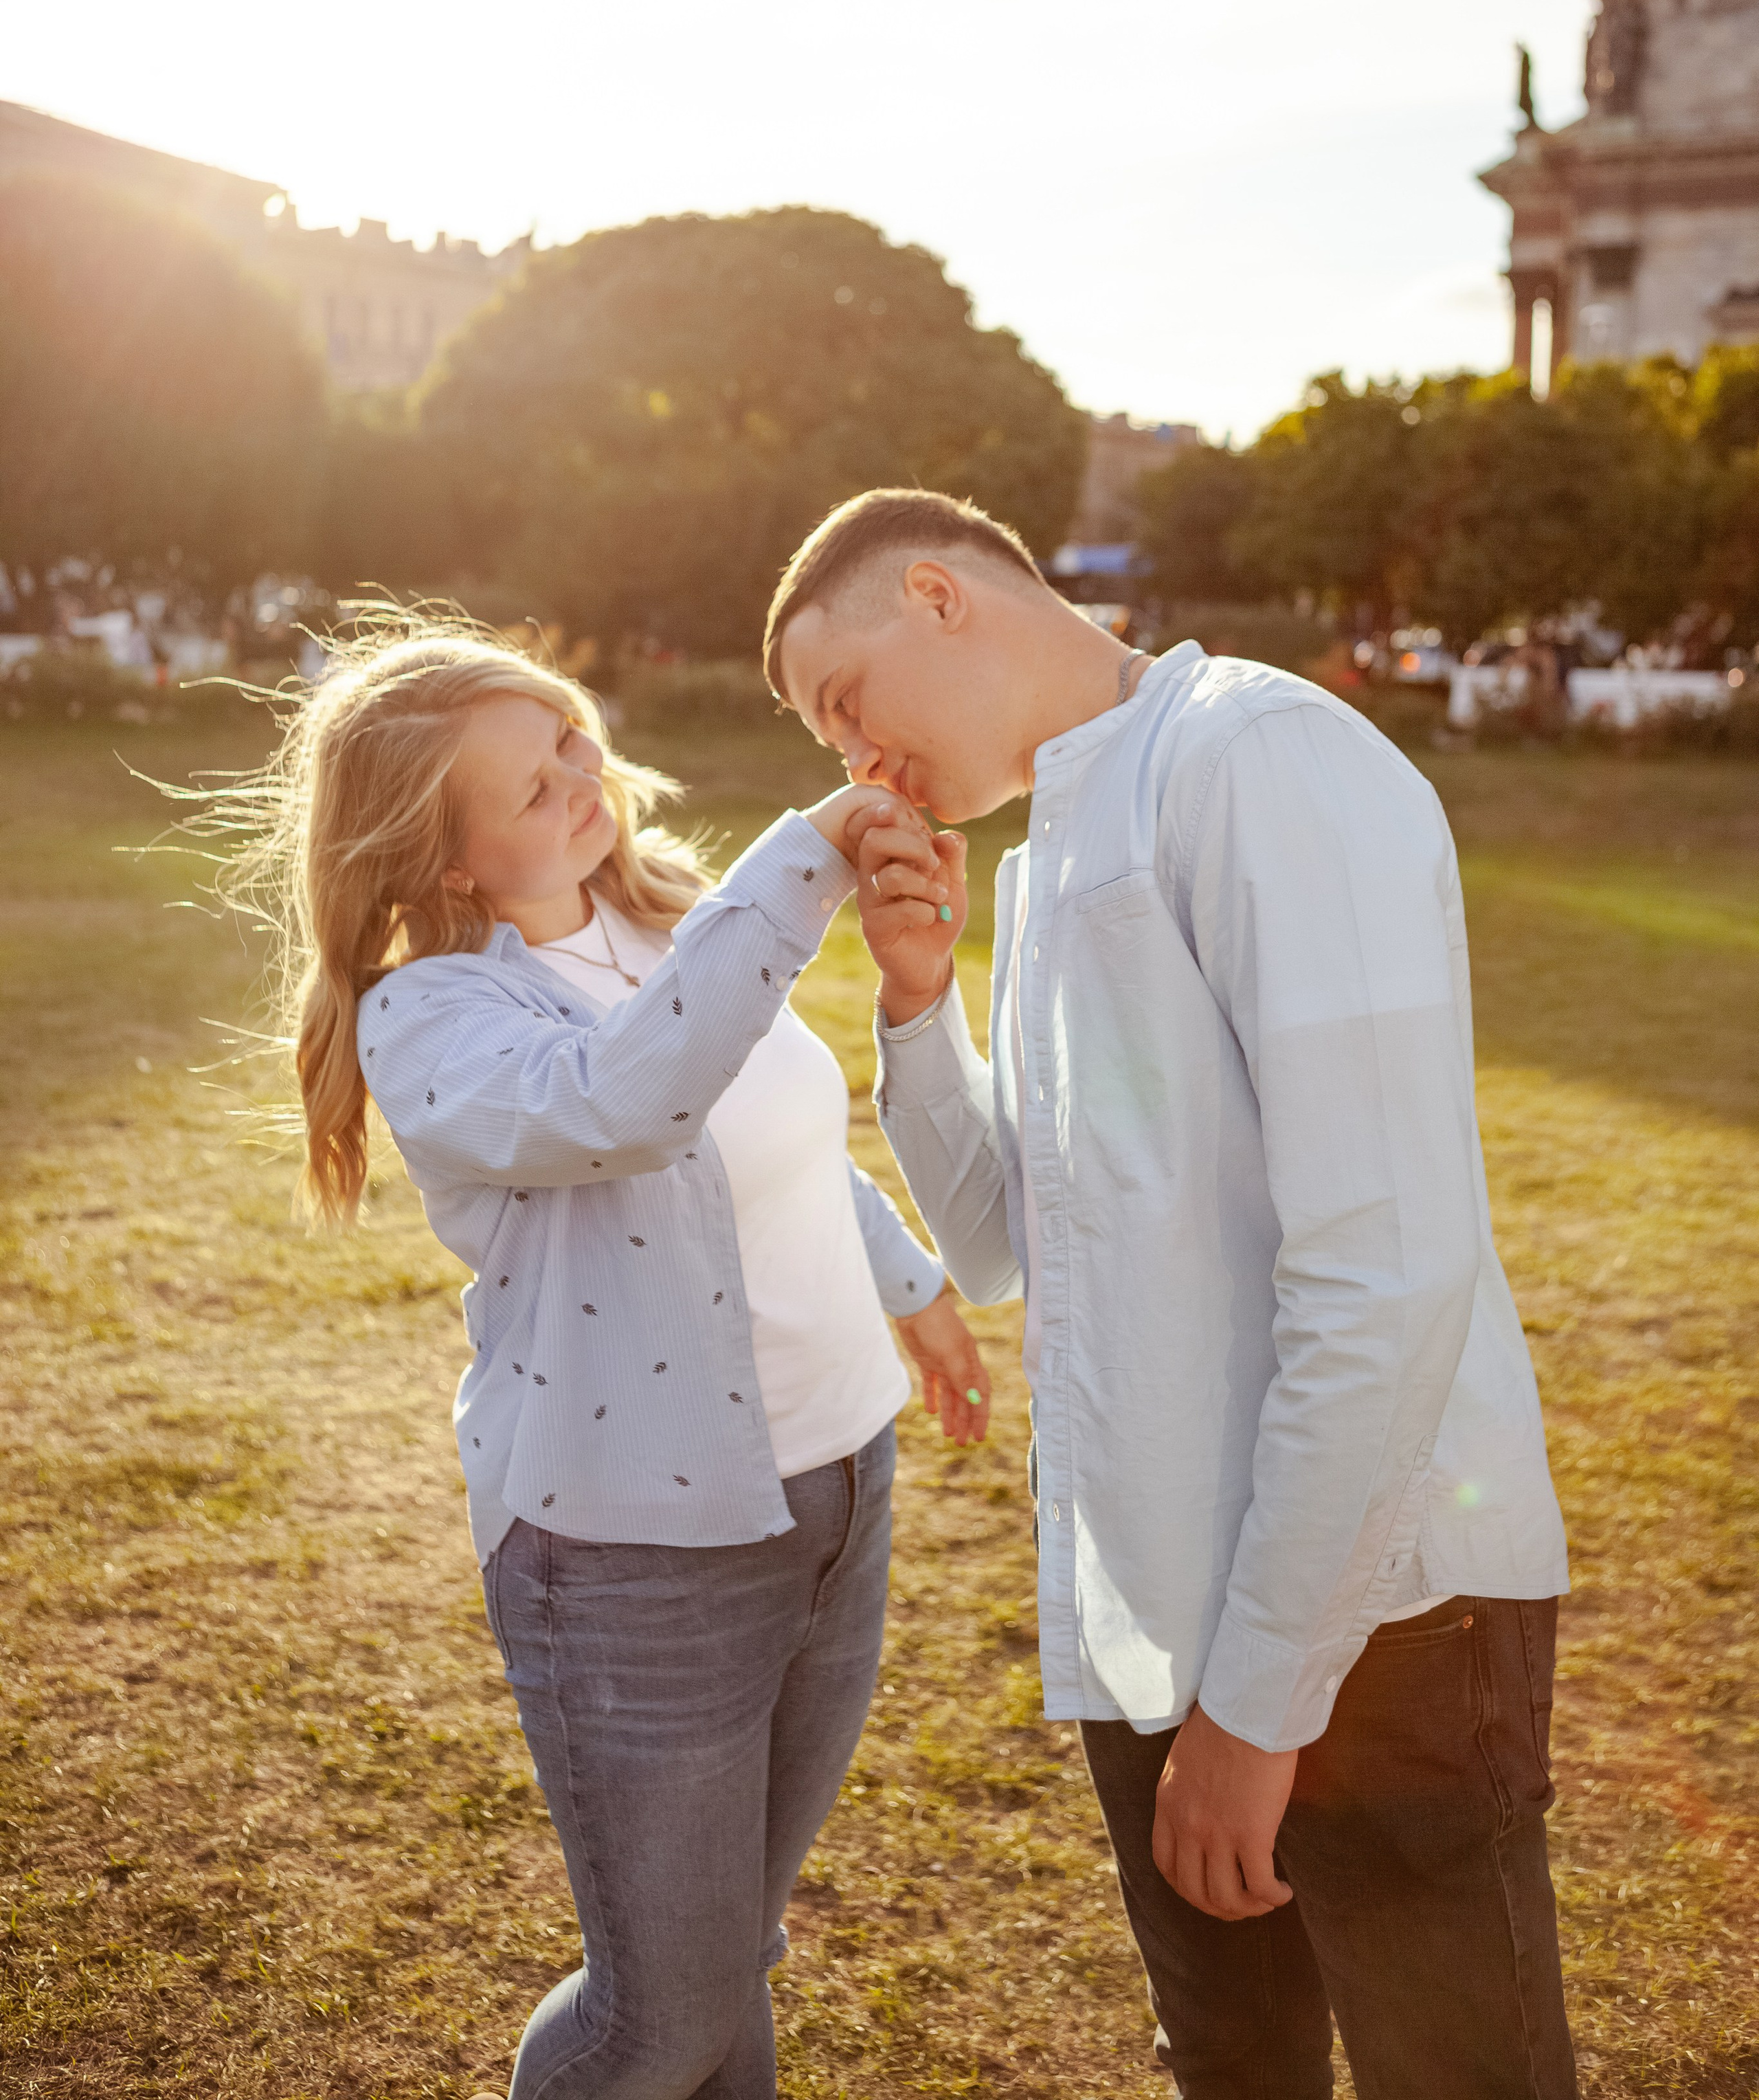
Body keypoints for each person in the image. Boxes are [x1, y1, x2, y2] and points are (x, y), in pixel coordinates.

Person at [764, 490, 1577, 2100]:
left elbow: (1382, 1272)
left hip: (1377, 1617)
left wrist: (1258, 1711)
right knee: (1231, 2063)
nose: (855, 763)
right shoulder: (1049, 852)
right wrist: (918, 1007)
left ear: (935, 593)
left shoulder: (1254, 759)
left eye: (843, 701)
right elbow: (1001, 1246)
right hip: (1154, 1609)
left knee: (1460, 2075)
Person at [219, 615, 989, 2100]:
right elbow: (629, 1104)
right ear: (449, 863)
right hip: (635, 1557)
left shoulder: (673, 911)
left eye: (570, 741)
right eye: (531, 786)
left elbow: (769, 1132)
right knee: (657, 2022)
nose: (584, 779)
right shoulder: (430, 1017)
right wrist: (807, 858)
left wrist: (912, 1283)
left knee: (729, 1959)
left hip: (841, 1490)